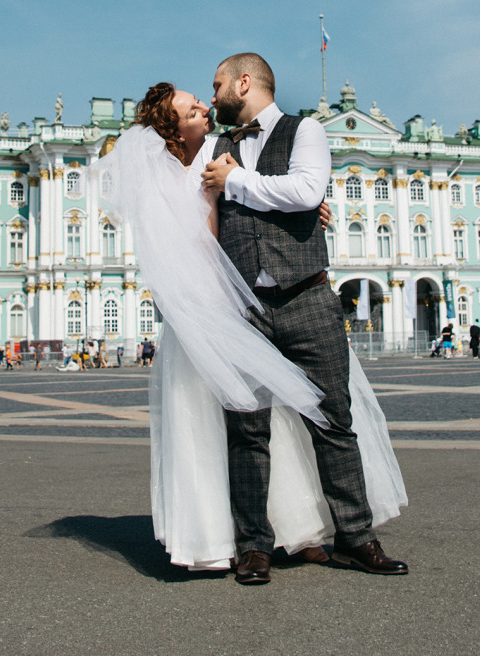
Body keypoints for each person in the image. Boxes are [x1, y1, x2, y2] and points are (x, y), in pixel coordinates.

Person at [98, 67, 406, 584]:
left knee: (332, 420)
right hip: (238, 309)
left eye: (214, 89)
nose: (209, 98)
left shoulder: (303, 131)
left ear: (243, 83)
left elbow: (304, 190)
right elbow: (184, 212)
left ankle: (355, 537)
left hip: (305, 294)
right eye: (199, 100)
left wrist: (307, 208)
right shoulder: (209, 147)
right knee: (248, 430)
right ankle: (253, 546)